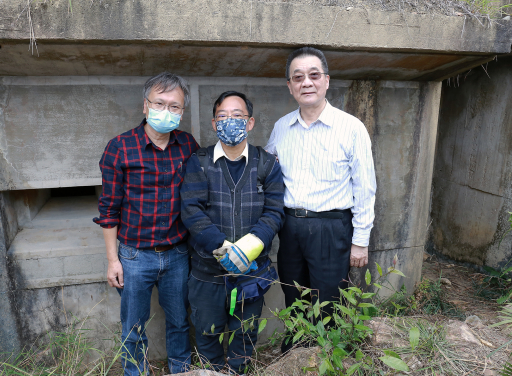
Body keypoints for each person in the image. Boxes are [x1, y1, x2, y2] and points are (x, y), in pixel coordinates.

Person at [265, 47, 377, 352]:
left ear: (327, 81)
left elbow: (365, 187)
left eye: (314, 75)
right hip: (290, 227)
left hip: (331, 227)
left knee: (328, 300)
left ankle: (327, 357)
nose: (307, 83)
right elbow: (268, 175)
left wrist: (360, 239)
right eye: (298, 77)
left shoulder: (350, 128)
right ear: (290, 86)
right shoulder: (281, 128)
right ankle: (297, 356)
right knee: (293, 295)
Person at [93, 72, 199, 376]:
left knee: (180, 320)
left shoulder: (187, 145)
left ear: (182, 111)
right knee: (134, 326)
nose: (166, 111)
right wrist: (113, 260)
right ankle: (135, 372)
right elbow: (109, 208)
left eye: (175, 107)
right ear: (145, 105)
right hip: (135, 255)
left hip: (177, 253)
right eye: (159, 103)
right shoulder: (121, 148)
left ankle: (181, 370)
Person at [181, 91, 285, 374]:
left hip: (251, 273)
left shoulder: (267, 164)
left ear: (250, 123)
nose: (230, 122)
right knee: (207, 333)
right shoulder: (199, 162)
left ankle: (239, 370)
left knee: (245, 334)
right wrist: (223, 247)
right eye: (223, 117)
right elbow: (192, 211)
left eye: (237, 116)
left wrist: (250, 246)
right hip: (207, 273)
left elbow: (275, 211)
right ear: (214, 124)